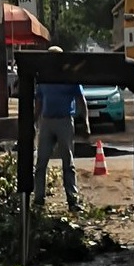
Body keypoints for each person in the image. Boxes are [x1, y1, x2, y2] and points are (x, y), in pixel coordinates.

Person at [34, 75, 88, 213]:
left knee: (68, 162)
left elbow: (81, 100)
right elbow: (39, 101)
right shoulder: (44, 80)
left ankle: (72, 200)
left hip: (64, 121)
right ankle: (38, 199)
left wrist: (86, 122)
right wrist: (34, 121)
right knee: (41, 163)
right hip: (47, 122)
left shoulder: (69, 79)